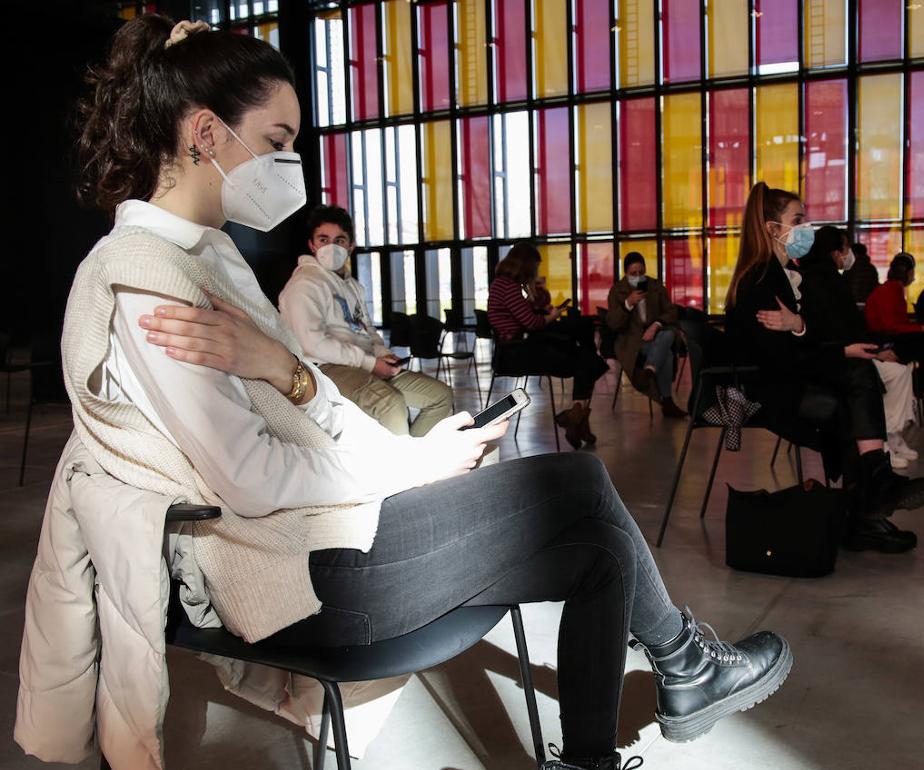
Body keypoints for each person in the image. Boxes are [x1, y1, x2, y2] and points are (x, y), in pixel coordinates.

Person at [20, 18, 793, 770]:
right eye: (278, 144)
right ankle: (686, 667)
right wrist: (409, 467)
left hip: (321, 536)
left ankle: (615, 734)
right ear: (206, 133)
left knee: (592, 544)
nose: (290, 168)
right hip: (291, 575)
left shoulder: (211, 258)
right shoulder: (147, 282)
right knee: (575, 484)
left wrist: (355, 418)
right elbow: (251, 481)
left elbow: (305, 406)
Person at [725, 182, 924, 553]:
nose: (807, 229)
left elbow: (798, 345)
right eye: (799, 220)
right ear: (773, 229)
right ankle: (870, 501)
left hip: (785, 379)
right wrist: (820, 341)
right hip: (766, 392)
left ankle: (868, 503)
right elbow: (780, 359)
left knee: (854, 379)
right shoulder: (760, 281)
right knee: (851, 381)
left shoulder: (779, 274)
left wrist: (802, 329)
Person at [278, 205, 453, 436]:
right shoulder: (304, 285)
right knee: (389, 405)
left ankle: (413, 462)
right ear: (312, 245)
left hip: (365, 363)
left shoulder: (353, 286)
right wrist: (370, 363)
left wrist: (381, 353)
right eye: (323, 239)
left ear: (350, 245)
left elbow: (367, 329)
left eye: (339, 240)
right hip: (325, 369)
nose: (331, 247)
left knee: (440, 396)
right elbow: (312, 344)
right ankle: (405, 470)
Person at [800, 226, 920, 470]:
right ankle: (879, 442)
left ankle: (893, 433)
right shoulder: (817, 281)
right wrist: (874, 351)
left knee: (900, 371)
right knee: (881, 375)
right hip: (837, 357)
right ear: (834, 252)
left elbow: (851, 328)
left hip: (850, 350)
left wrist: (875, 350)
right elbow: (831, 332)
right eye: (845, 249)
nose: (848, 255)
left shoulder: (833, 279)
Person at [487, 243, 610, 448]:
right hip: (515, 353)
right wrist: (552, 316)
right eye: (535, 267)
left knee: (587, 359)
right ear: (526, 265)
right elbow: (532, 322)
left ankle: (576, 418)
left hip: (521, 347)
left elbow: (532, 311)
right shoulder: (507, 286)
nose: (536, 271)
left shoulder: (508, 284)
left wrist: (535, 293)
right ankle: (576, 419)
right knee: (589, 360)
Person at [605, 251, 686, 418]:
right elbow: (613, 323)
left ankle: (648, 372)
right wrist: (628, 304)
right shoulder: (617, 291)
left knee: (668, 335)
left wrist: (656, 325)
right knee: (668, 354)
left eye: (641, 272)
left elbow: (671, 312)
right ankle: (667, 402)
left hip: (655, 337)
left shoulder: (655, 286)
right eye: (633, 273)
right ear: (626, 273)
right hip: (631, 341)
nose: (638, 276)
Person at [864, 253, 924, 398]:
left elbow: (897, 324)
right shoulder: (889, 292)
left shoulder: (892, 289)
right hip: (884, 339)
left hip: (890, 335)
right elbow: (890, 326)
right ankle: (916, 386)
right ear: (908, 272)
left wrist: (920, 327)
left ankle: (917, 385)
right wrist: (921, 328)